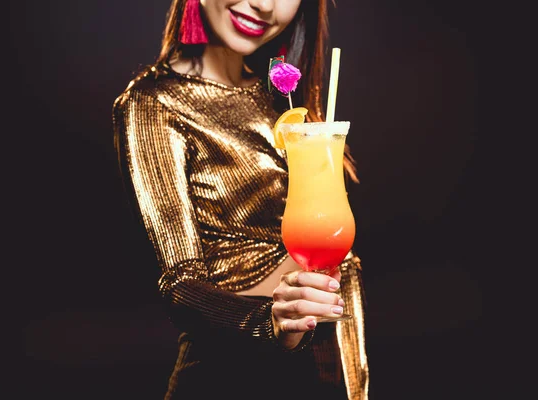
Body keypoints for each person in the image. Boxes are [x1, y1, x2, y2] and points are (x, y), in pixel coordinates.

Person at [112, 0, 370, 399]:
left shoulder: (280, 96)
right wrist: (268, 320)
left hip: (330, 359)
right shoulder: (153, 103)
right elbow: (179, 283)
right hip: (235, 374)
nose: (264, 4)